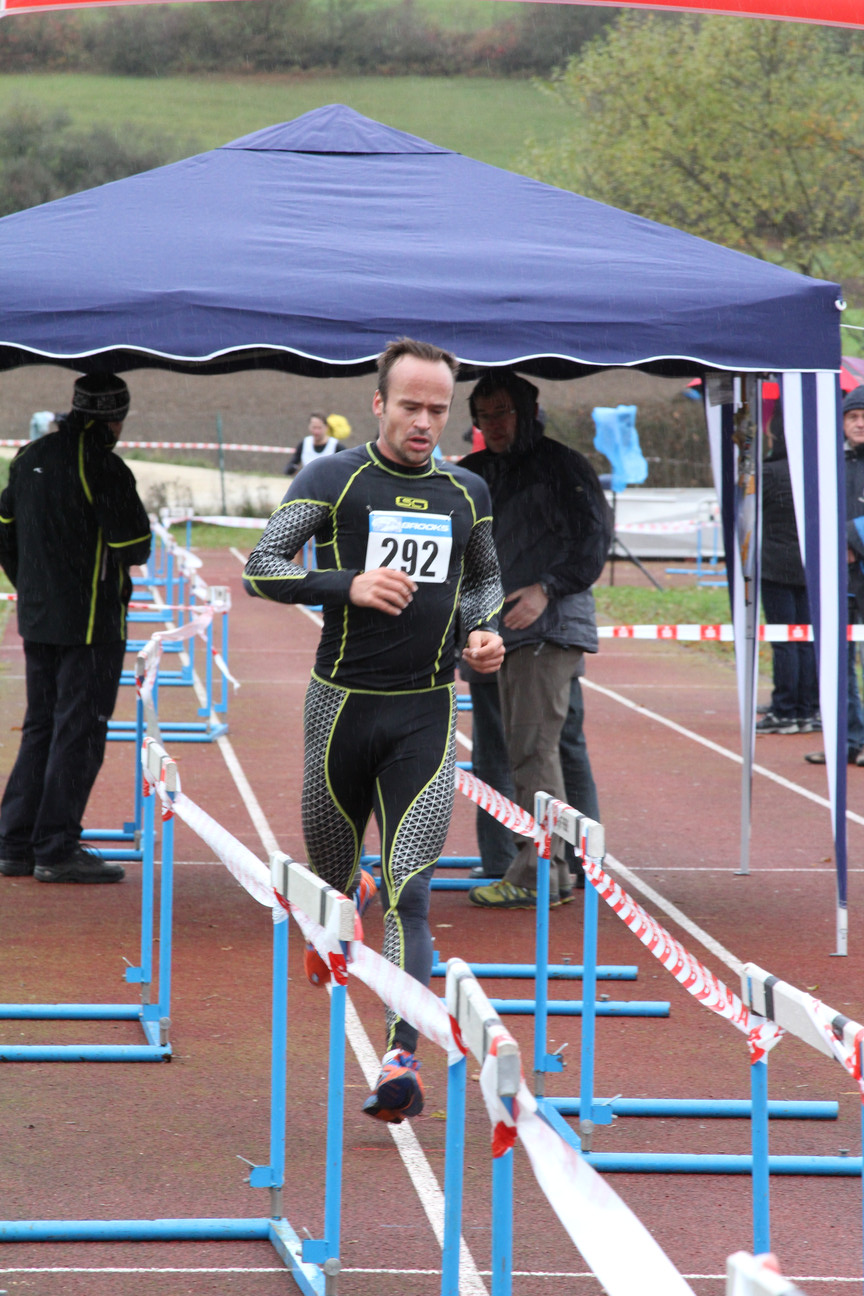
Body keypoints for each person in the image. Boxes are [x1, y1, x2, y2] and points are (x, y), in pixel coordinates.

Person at [244, 338, 504, 1123]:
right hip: (340, 712)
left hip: (426, 711)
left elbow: (483, 581)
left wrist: (483, 633)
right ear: (379, 404)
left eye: (438, 410)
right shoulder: (333, 478)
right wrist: (345, 583)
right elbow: (263, 565)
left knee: (410, 891)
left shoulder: (467, 491)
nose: (424, 422)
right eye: (411, 406)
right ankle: (345, 888)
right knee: (330, 887)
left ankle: (401, 1058)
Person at [461, 371, 612, 910]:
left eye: (503, 412)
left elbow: (593, 542)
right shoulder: (474, 472)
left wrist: (546, 589)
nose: (494, 424)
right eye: (484, 416)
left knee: (535, 750)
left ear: (527, 411)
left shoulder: (564, 466)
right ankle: (552, 866)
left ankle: (539, 874)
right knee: (523, 747)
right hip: (493, 633)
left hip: (546, 631)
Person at [0, 374, 152, 883]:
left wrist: (31, 585)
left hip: (37, 615)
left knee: (40, 726)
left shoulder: (29, 456)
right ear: (116, 419)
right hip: (91, 623)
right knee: (79, 732)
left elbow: (4, 531)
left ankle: (13, 843)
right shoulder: (103, 465)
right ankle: (56, 847)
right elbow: (135, 545)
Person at [806, 386, 864, 766]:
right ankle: (848, 740)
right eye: (852, 417)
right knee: (839, 664)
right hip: (839, 580)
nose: (859, 424)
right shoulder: (829, 461)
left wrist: (849, 538)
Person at [756, 408, 819, 735]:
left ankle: (784, 709)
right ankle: (806, 708)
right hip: (810, 565)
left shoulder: (768, 472)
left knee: (784, 639)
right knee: (806, 639)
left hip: (775, 566)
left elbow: (749, 511)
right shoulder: (816, 470)